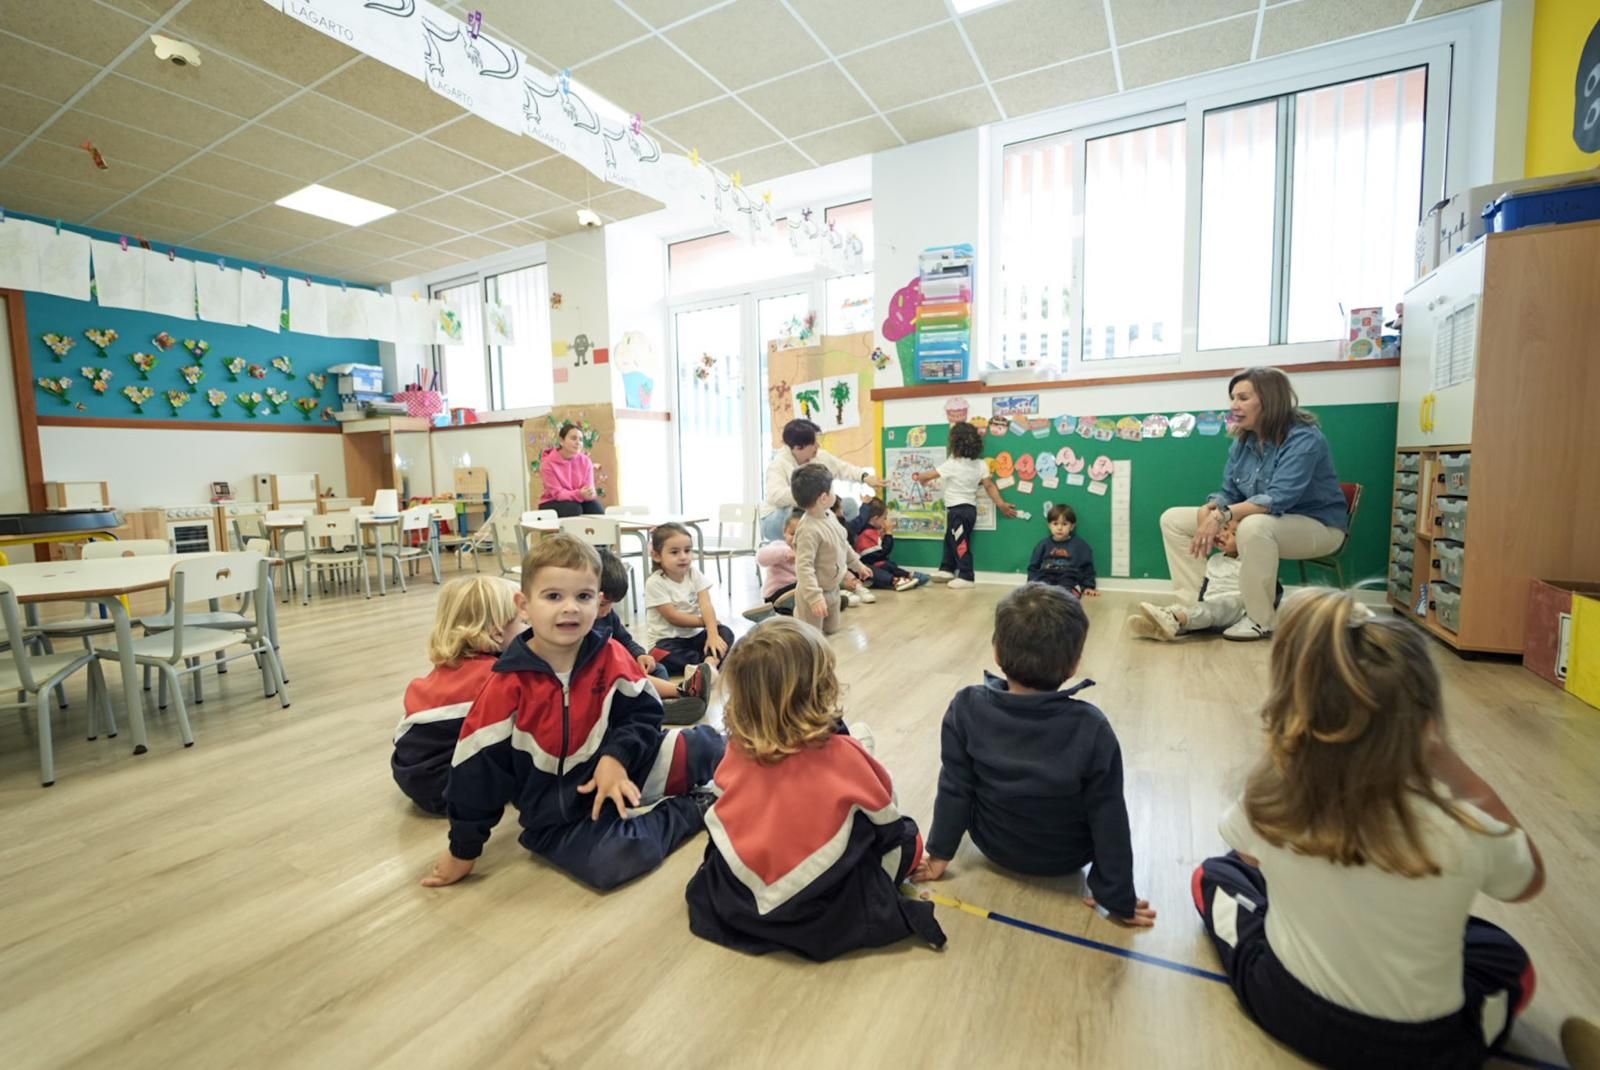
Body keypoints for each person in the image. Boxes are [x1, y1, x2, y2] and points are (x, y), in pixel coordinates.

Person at [1193, 590, 1543, 1069]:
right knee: (1507, 959)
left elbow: (1248, 860)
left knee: (1216, 874)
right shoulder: (1467, 830)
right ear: (1426, 726)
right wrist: (1448, 761)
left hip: (1286, 1005)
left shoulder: (1273, 799)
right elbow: (1529, 882)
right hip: (1425, 1051)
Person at [421, 535, 726, 891]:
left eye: (582, 596)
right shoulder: (505, 685)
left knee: (710, 747)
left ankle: (726, 779)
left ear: (599, 602)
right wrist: (463, 851)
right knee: (616, 859)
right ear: (523, 605)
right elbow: (475, 775)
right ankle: (693, 807)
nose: (570, 608)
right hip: (563, 814)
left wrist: (616, 757)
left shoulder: (611, 655)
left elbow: (644, 716)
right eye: (553, 596)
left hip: (626, 770)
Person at [684, 618, 946, 961]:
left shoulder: (736, 749)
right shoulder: (845, 757)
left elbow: (722, 806)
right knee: (908, 838)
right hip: (823, 909)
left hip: (738, 900)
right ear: (822, 687)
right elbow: (888, 822)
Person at [912, 584, 1155, 929]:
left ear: (996, 651)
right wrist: (1117, 895)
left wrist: (939, 854)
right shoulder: (1092, 727)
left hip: (993, 847)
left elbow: (955, 787)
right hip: (1066, 858)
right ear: (1073, 665)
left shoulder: (965, 706)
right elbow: (1109, 813)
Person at [1159, 367, 1349, 641]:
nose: (1234, 406)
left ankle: (1261, 619)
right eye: (1232, 398)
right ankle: (1195, 608)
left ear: (1269, 399)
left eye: (1243, 398)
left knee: (1255, 526)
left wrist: (1223, 518)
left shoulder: (1304, 438)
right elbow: (1229, 492)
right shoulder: (1242, 441)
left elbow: (1278, 499)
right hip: (1257, 522)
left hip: (1317, 527)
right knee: (1173, 519)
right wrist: (1208, 512)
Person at [391, 575, 520, 815]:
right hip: (451, 789)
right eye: (524, 623)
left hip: (414, 775)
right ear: (497, 633)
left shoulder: (447, 669)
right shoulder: (495, 677)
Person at [594, 547, 712, 725]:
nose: (608, 610)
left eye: (612, 604)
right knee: (627, 679)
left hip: (621, 671)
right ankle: (679, 692)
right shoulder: (581, 626)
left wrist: (640, 655)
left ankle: (659, 703)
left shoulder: (608, 616)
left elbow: (625, 640)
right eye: (603, 603)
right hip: (606, 682)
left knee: (658, 669)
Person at [912, 421, 1017, 589]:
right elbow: (989, 486)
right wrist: (1001, 504)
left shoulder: (952, 463)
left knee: (960, 542)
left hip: (958, 510)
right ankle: (947, 568)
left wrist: (921, 478)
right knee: (950, 539)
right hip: (968, 510)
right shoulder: (981, 464)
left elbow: (929, 475)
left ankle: (967, 575)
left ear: (954, 444)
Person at [759, 418, 884, 541]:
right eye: (813, 443)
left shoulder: (819, 456)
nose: (818, 446)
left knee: (849, 505)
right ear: (798, 447)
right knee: (802, 513)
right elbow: (776, 496)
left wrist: (865, 477)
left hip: (814, 508)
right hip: (775, 518)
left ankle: (846, 548)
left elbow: (843, 469)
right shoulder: (778, 464)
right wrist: (811, 496)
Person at [1128, 520, 1253, 640]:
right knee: (1194, 609)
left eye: (1234, 534)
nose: (1224, 535)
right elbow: (1206, 585)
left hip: (1235, 609)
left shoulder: (1248, 561)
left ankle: (1173, 619)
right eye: (1225, 528)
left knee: (1216, 608)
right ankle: (1159, 627)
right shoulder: (1214, 559)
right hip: (1211, 604)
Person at [790, 462, 874, 635]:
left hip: (833, 589)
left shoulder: (830, 517)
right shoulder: (808, 529)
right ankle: (797, 619)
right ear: (823, 498)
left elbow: (843, 545)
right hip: (814, 594)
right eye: (832, 489)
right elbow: (804, 567)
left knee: (832, 631)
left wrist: (857, 565)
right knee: (812, 636)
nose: (835, 493)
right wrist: (814, 597)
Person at [641, 522, 734, 676]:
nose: (683, 557)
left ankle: (708, 664)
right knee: (661, 655)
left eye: (687, 550)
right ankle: (710, 661)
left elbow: (706, 604)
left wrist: (712, 634)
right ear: (657, 555)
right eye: (674, 552)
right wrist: (705, 622)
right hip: (668, 641)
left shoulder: (694, 573)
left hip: (695, 636)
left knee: (725, 632)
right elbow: (673, 617)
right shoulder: (655, 582)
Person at [848, 498, 927, 592]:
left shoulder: (872, 531)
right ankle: (897, 580)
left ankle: (907, 576)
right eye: (884, 518)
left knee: (888, 564)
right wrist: (888, 535)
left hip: (873, 564)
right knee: (884, 565)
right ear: (875, 519)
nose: (885, 521)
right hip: (866, 567)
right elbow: (880, 554)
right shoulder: (867, 533)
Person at [1026, 503, 1097, 597]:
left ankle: (1068, 596)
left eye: (1064, 524)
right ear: (1049, 526)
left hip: (1069, 576)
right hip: (1047, 575)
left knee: (1067, 590)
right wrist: (1031, 584)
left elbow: (1087, 567)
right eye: (1055, 524)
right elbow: (1033, 567)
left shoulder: (1080, 545)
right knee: (1042, 589)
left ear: (1072, 526)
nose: (1059, 528)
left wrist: (1089, 586)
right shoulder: (1043, 545)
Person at [744, 509, 802, 622]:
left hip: (796, 596)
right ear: (785, 532)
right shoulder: (779, 546)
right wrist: (786, 552)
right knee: (803, 587)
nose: (796, 539)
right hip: (776, 594)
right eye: (792, 533)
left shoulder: (808, 552)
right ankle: (772, 613)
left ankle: (768, 616)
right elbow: (760, 557)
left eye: (801, 535)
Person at [538, 421, 605, 517]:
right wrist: (579, 494)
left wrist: (590, 492)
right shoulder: (548, 463)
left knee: (596, 509)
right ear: (561, 441)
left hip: (578, 499)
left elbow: (588, 488)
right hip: (552, 501)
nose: (578, 442)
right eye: (574, 438)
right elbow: (558, 494)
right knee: (573, 509)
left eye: (581, 439)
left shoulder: (585, 461)